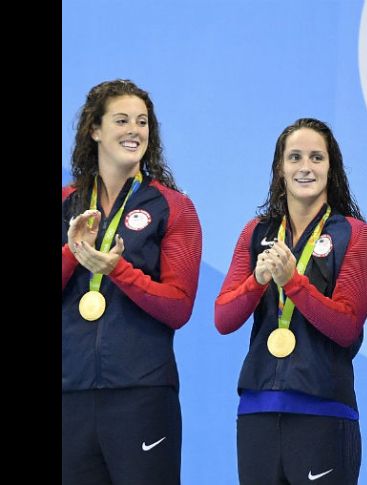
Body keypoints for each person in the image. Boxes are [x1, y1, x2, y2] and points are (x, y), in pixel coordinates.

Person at [214, 118, 367, 485]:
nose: (305, 167)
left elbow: (346, 327)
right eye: (294, 157)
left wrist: (293, 282)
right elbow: (224, 318)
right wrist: (256, 282)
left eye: (316, 158)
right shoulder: (256, 232)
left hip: (324, 413)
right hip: (257, 412)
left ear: (331, 167)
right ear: (280, 168)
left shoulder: (357, 236)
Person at [62, 79, 203, 485]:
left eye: (142, 122)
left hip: (141, 394)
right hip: (70, 393)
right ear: (95, 130)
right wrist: (75, 252)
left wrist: (117, 271)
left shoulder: (173, 207)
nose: (134, 130)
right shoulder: (67, 203)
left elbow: (178, 306)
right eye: (121, 120)